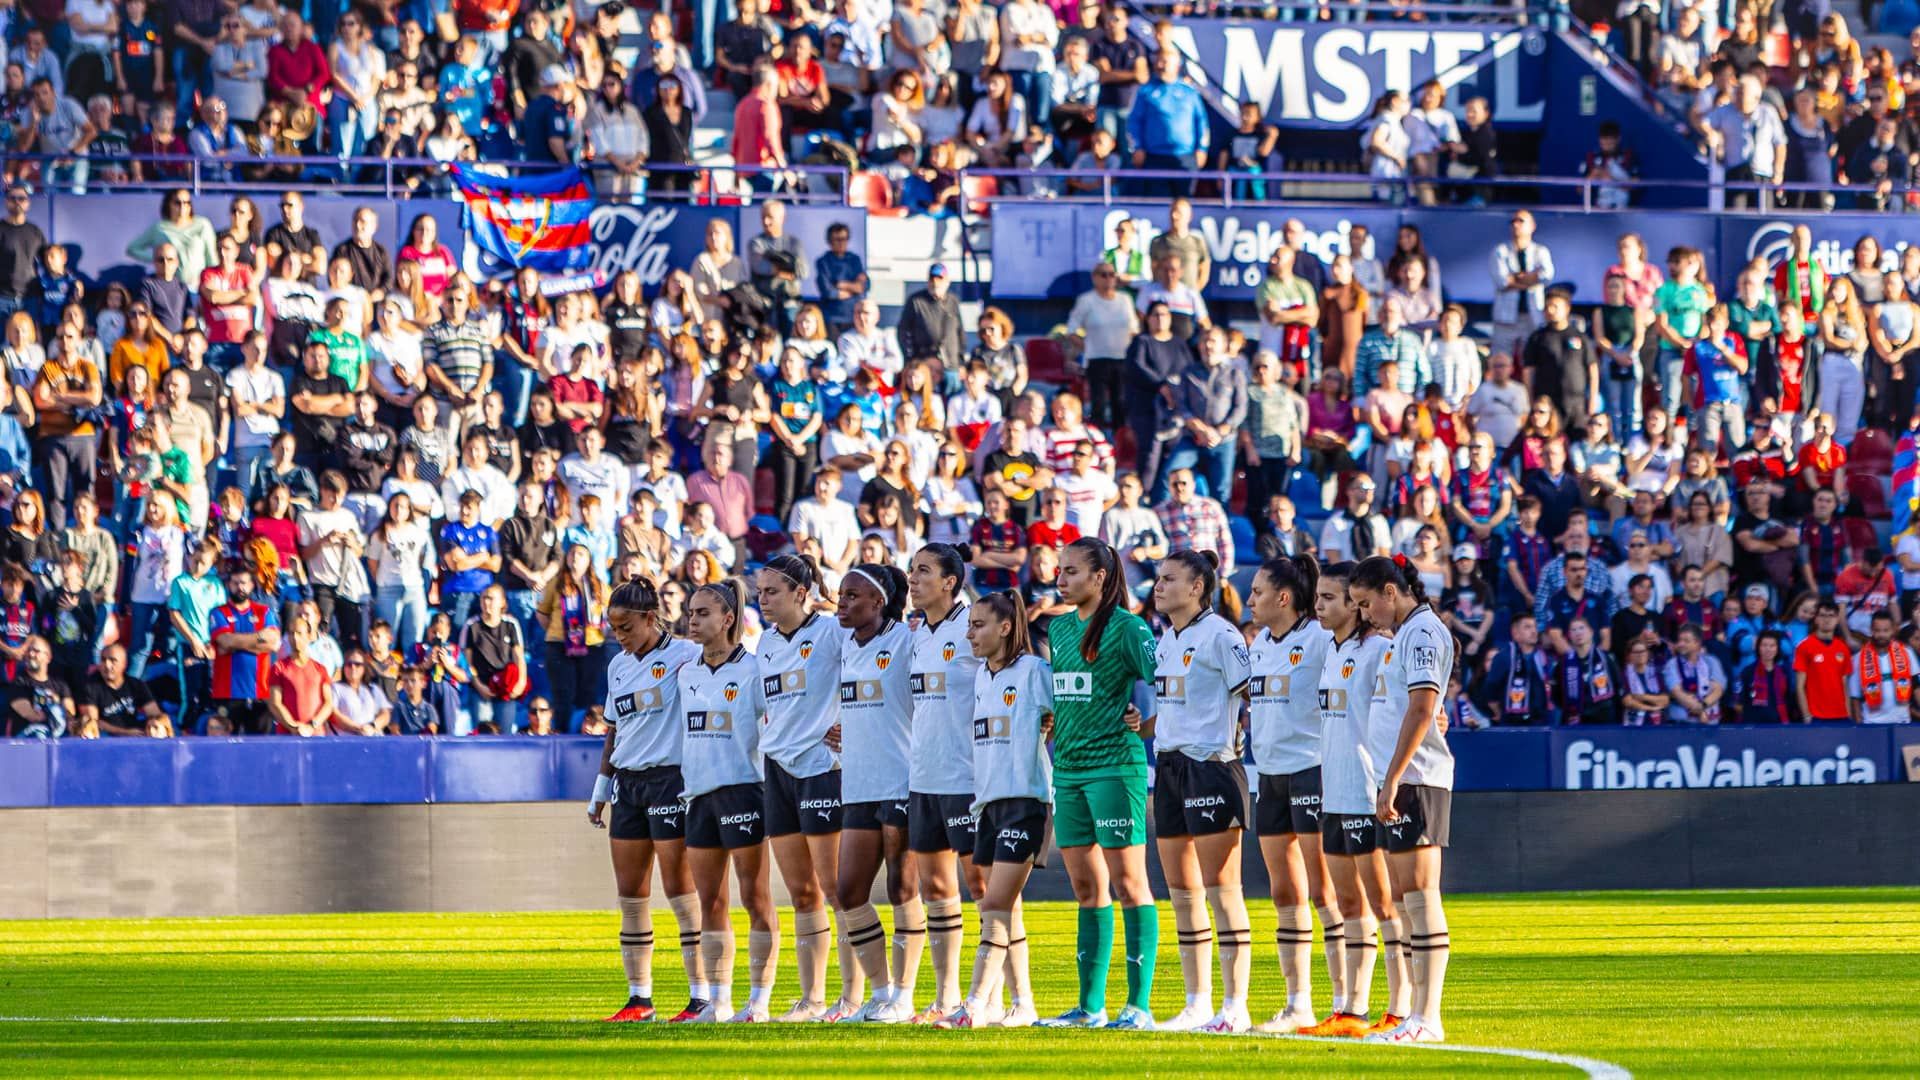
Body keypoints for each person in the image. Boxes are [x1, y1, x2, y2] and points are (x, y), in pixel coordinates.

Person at [1038, 538, 1160, 1030]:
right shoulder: (1060, 628)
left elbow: (1171, 683)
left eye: (1071, 571)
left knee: (1130, 884)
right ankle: (1090, 1008)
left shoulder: (1129, 628)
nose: (1060, 580)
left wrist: (1146, 724)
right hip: (1067, 771)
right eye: (1059, 571)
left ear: (1100, 577)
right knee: (1087, 888)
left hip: (1115, 768)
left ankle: (1139, 1007)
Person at [1348, 555, 1455, 1044]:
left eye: (1366, 602)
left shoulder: (1423, 632)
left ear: (1390, 592)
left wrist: (1392, 777)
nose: (1365, 614)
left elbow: (1422, 707)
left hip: (1417, 778)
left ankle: (1427, 1017)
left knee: (1420, 895)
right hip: (1400, 778)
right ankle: (1416, 1014)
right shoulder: (1403, 636)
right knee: (1407, 899)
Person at [589, 578, 705, 1024]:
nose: (620, 636)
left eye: (626, 627)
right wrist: (601, 790)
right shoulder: (617, 666)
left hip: (669, 780)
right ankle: (640, 998)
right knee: (632, 895)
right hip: (628, 786)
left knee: (680, 889)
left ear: (650, 619)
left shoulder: (685, 655)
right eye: (614, 628)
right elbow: (613, 732)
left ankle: (700, 996)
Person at [933, 589, 1051, 1028]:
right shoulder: (983, 677)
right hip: (987, 802)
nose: (969, 634)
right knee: (1006, 907)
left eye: (978, 625)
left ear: (1005, 627)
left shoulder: (1034, 670)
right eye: (968, 626)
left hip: (1025, 801)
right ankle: (1023, 1004)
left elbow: (1068, 715)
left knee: (995, 903)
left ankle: (975, 1004)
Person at [751, 554, 854, 1020]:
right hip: (778, 769)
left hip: (822, 767)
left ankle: (851, 996)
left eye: (772, 591)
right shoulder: (766, 643)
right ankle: (812, 999)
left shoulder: (832, 632)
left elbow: (873, 670)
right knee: (801, 892)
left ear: (800, 593)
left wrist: (851, 722)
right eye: (760, 591)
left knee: (836, 888)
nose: (763, 599)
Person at [1245, 553, 1343, 1032]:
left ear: (1283, 598)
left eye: (1258, 592)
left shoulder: (1321, 639)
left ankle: (1345, 1002)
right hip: (1269, 777)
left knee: (1324, 890)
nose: (1250, 600)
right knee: (1284, 892)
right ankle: (1297, 1002)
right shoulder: (1260, 644)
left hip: (1312, 771)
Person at [674, 580, 779, 1022]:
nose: (692, 621)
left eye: (702, 613)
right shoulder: (686, 673)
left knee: (755, 897)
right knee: (711, 902)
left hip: (743, 790)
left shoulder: (753, 670)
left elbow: (778, 723)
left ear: (728, 618)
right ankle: (718, 1000)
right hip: (698, 795)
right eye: (690, 613)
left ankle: (759, 1000)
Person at [1299, 561, 1393, 1038]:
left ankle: (1401, 1007)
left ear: (1355, 605)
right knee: (1348, 903)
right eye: (1317, 597)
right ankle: (1352, 1009)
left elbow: (1409, 705)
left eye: (1328, 598)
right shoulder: (1331, 653)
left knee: (1385, 904)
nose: (1318, 605)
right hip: (1333, 791)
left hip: (1365, 791)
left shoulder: (1380, 650)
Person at [829, 562, 919, 1023]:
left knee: (902, 887)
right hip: (858, 782)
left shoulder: (907, 640)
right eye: (840, 596)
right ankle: (880, 992)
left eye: (852, 596)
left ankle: (904, 996)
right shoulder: (845, 644)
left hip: (900, 779)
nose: (841, 604)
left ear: (878, 602)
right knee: (848, 891)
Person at [902, 543, 984, 1024]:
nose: (913, 579)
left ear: (950, 582)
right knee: (934, 887)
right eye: (912, 571)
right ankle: (946, 996)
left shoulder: (973, 624)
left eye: (923, 571)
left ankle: (994, 994)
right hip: (924, 776)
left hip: (967, 775)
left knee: (983, 886)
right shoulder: (918, 634)